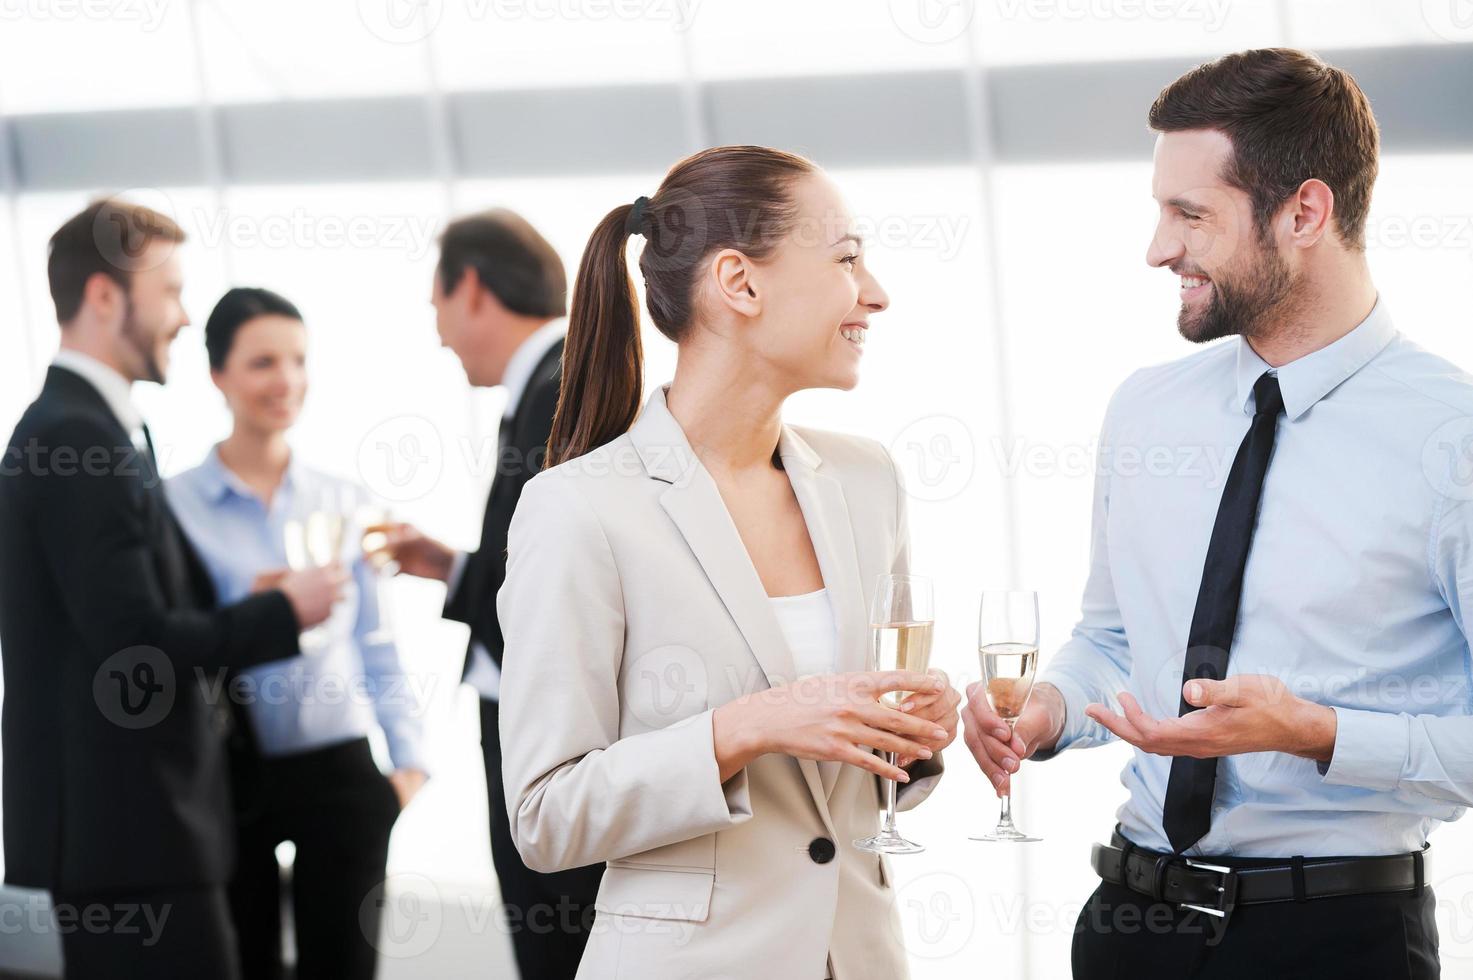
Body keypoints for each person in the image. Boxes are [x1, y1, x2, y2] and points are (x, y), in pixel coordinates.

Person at [963, 49, 1456, 978]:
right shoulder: (1147, 409)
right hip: (1126, 926)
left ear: (1303, 213)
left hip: (1333, 941)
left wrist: (1314, 730)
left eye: (1189, 215)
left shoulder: (1452, 438)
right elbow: (1110, 637)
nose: (1158, 248)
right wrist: (1047, 707)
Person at [495, 145, 962, 980]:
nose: (876, 293)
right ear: (739, 283)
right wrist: (741, 729)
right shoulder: (580, 508)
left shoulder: (866, 480)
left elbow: (854, 785)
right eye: (847, 258)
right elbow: (544, 818)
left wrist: (919, 738)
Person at [0, 200, 342, 978]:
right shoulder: (75, 436)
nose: (185, 318)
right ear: (104, 297)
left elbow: (122, 611)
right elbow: (132, 645)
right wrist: (281, 612)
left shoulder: (101, 427)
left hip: (132, 833)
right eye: (171, 292)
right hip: (127, 835)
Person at [167, 286, 429, 980]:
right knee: (238, 963)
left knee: (341, 967)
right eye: (261, 363)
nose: (285, 381)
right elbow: (174, 640)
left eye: (298, 361)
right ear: (218, 374)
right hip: (228, 774)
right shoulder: (172, 507)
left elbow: (376, 643)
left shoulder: (342, 500)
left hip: (339, 775)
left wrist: (408, 766)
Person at [371, 209, 604, 977]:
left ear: (470, 288)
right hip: (540, 731)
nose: (439, 332)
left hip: (548, 738)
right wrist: (452, 565)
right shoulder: (550, 380)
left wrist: (469, 574)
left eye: (437, 306)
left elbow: (555, 589)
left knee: (554, 947)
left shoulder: (559, 386)